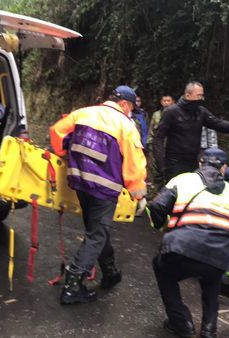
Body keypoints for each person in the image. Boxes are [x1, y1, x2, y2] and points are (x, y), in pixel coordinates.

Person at [50, 85, 147, 305]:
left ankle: (110, 272)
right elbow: (134, 164)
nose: (130, 112)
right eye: (131, 107)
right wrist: (138, 194)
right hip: (104, 189)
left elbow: (57, 131)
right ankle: (72, 286)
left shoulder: (84, 112)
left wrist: (65, 154)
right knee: (97, 234)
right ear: (124, 104)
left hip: (80, 181)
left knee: (97, 230)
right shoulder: (125, 124)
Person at [147, 147, 229, 338]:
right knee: (212, 279)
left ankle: (181, 323)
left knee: (161, 269)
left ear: (200, 163)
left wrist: (163, 229)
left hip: (182, 248)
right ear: (224, 168)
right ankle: (209, 329)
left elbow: (156, 206)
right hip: (218, 255)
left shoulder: (182, 179)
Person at [153, 81, 229, 182]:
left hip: (194, 162)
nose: (201, 99)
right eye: (198, 96)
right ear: (188, 95)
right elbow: (158, 139)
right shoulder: (171, 112)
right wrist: (162, 165)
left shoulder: (200, 112)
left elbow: (217, 123)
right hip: (174, 163)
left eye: (202, 96)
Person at [147, 95, 174, 191]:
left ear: (172, 102)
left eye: (168, 100)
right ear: (161, 102)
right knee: (155, 168)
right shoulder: (156, 115)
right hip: (157, 146)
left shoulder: (175, 113)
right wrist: (149, 143)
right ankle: (156, 189)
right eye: (164, 100)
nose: (166, 102)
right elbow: (151, 129)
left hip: (170, 146)